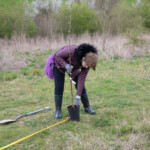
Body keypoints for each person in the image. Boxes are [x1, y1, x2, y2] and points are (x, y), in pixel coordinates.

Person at [51, 43, 98, 119]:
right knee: (59, 87)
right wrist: (65, 65)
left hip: (73, 68)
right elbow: (57, 56)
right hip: (59, 66)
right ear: (83, 58)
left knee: (81, 86)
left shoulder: (88, 63)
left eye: (88, 66)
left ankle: (87, 107)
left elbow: (81, 79)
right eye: (86, 65)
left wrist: (78, 96)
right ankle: (58, 110)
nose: (86, 67)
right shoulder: (71, 51)